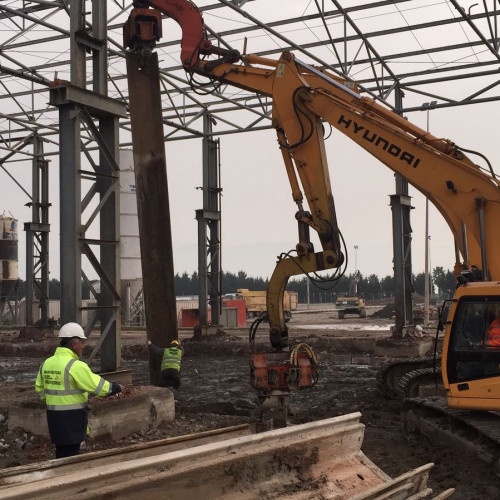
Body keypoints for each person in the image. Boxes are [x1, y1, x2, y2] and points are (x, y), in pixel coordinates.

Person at [35, 322, 123, 459]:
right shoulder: (75, 366)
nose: (83, 346)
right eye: (82, 342)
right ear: (74, 344)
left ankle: (60, 477)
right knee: (71, 456)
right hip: (72, 418)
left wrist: (53, 401)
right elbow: (97, 386)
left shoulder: (46, 363)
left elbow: (39, 388)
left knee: (61, 452)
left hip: (54, 418)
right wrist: (115, 388)